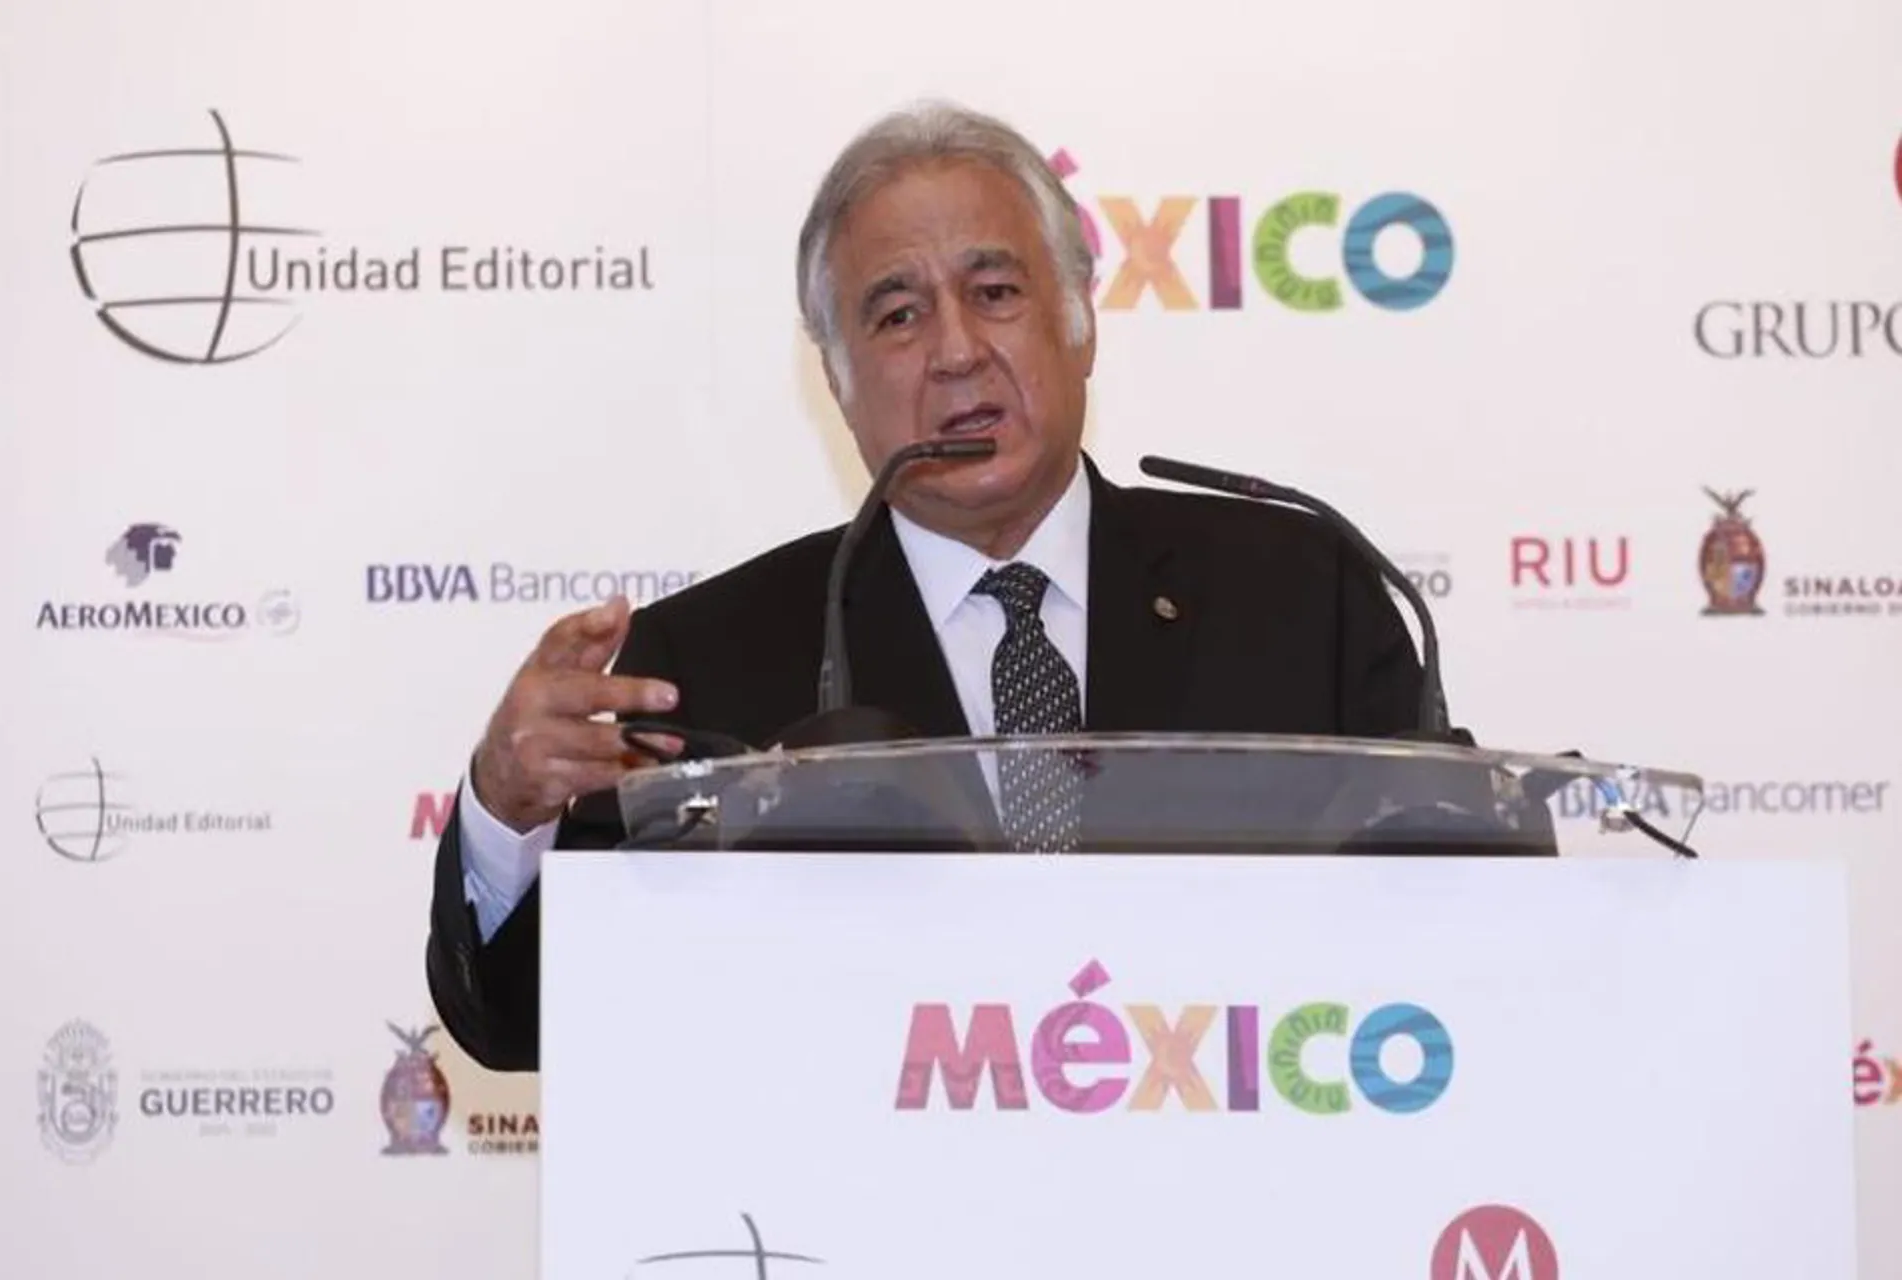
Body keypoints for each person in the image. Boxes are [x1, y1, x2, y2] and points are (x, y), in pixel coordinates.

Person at [425, 100, 1424, 1071]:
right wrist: (508, 811)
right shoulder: (704, 662)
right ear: (837, 379)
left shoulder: (1301, 594)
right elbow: (522, 1023)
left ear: (1080, 323)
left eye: (995, 293)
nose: (956, 351)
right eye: (899, 314)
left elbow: (1452, 924)